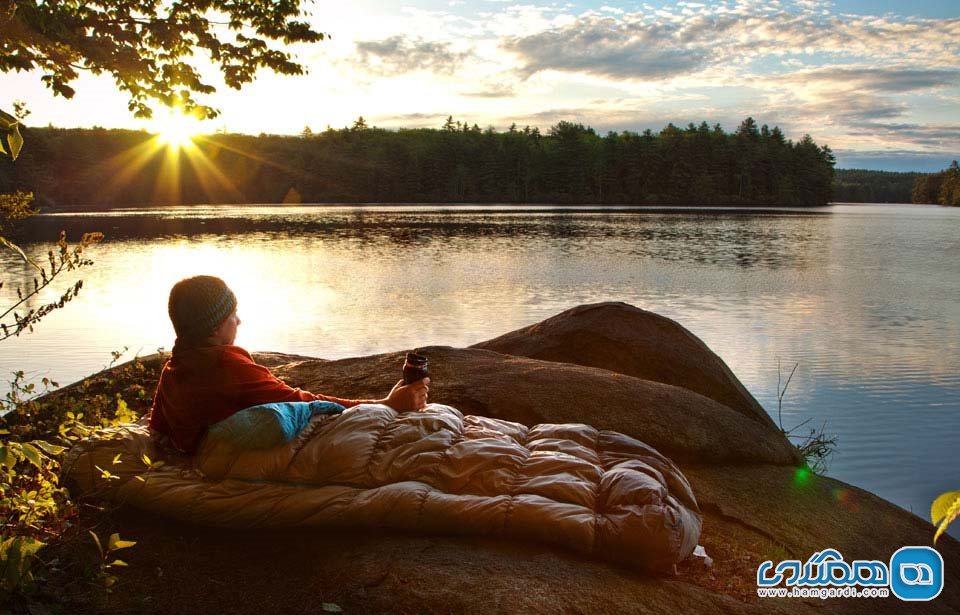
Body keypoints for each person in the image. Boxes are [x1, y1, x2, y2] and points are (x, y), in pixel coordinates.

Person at [148, 275, 429, 453]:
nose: (239, 321)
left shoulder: (175, 366)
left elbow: (157, 425)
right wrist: (386, 405)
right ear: (212, 329)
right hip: (220, 461)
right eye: (233, 315)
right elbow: (303, 403)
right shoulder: (226, 363)